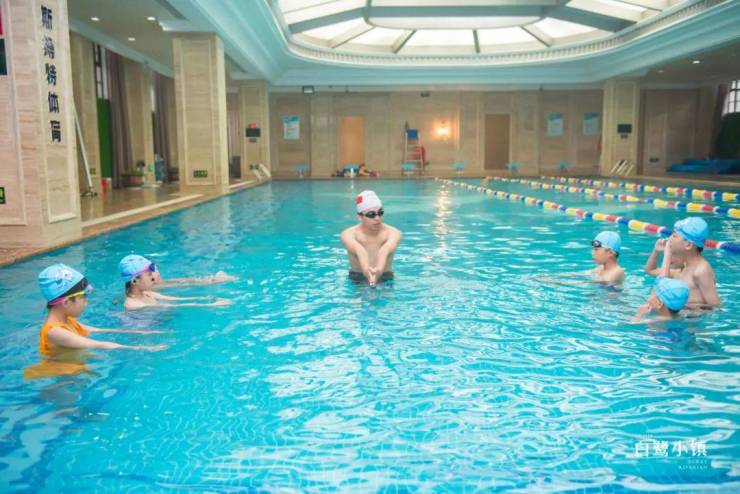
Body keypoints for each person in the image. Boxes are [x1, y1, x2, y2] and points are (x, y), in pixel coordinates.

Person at [36, 264, 165, 355]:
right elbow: (98, 344)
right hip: (66, 376)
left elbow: (95, 330)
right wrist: (143, 348)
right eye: (83, 298)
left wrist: (138, 332)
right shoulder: (55, 332)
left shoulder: (65, 320)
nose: (86, 302)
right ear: (66, 302)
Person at [120, 255, 232, 310]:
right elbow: (170, 305)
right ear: (134, 280)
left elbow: (177, 300)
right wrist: (210, 305)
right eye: (149, 274)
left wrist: (209, 298)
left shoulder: (148, 293)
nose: (153, 277)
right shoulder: (133, 304)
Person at [341, 190, 402, 287]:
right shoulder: (349, 234)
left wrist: (379, 270)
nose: (377, 218)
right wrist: (366, 270)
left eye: (380, 213)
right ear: (360, 217)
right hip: (358, 278)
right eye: (371, 214)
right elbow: (359, 249)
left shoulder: (393, 233)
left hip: (385, 277)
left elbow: (385, 250)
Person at [661, 217, 720, 309]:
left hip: (694, 316)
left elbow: (716, 306)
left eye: (674, 236)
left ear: (688, 245)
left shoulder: (701, 271)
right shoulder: (685, 266)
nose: (669, 239)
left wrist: (691, 310)